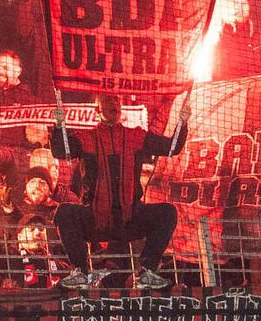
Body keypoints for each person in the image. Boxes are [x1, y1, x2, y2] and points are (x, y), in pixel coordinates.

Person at [53, 92, 187, 289]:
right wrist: (58, 127)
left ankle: (147, 272)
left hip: (130, 217)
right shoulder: (86, 138)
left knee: (167, 212)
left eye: (117, 99)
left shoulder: (136, 136)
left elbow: (171, 148)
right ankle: (81, 272)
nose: (114, 103)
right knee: (64, 212)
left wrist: (182, 122)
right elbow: (59, 150)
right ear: (97, 109)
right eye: (107, 99)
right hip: (96, 218)